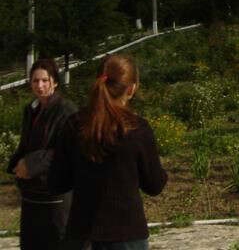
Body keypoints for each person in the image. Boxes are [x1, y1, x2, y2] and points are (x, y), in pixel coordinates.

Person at [50, 54, 167, 250]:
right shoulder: (137, 128)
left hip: (82, 233)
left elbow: (56, 183)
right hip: (126, 235)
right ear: (131, 89)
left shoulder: (73, 125)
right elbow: (154, 185)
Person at [6, 57, 77, 250]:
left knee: (57, 244)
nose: (40, 85)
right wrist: (15, 164)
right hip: (31, 193)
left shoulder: (66, 110)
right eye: (35, 80)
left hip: (55, 195)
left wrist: (31, 164)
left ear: (54, 81)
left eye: (45, 80)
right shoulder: (31, 110)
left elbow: (67, 151)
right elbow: (26, 145)